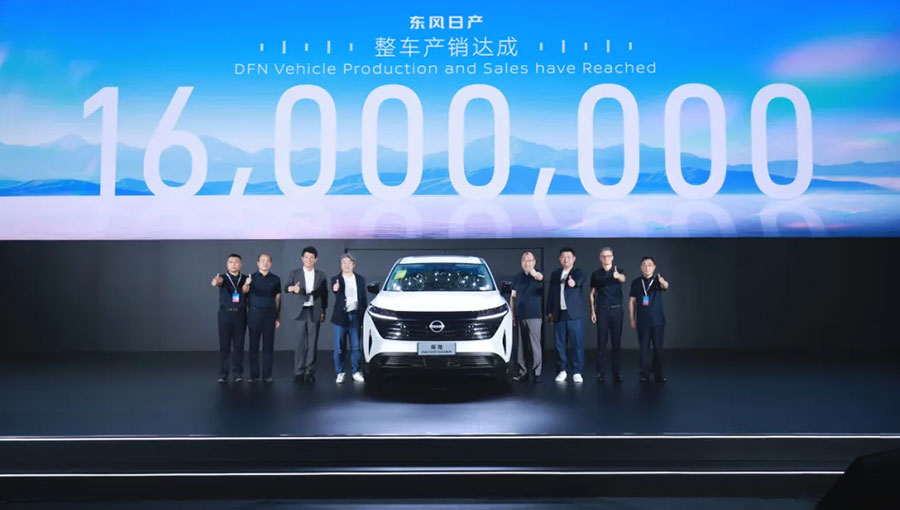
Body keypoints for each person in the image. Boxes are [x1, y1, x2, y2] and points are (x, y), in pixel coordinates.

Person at [285, 246, 328, 383]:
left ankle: (309, 371)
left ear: (316, 259)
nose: (308, 260)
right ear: (302, 259)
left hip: (314, 310)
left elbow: (324, 294)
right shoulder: (295, 273)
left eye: (311, 257)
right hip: (300, 311)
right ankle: (299, 371)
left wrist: (323, 311)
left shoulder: (321, 275)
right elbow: (286, 287)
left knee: (312, 343)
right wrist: (293, 288)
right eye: (306, 257)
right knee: (300, 343)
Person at [546, 247, 587, 383]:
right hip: (559, 313)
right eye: (563, 257)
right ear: (560, 259)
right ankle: (562, 370)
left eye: (569, 257)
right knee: (560, 344)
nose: (566, 259)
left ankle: (577, 371)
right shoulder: (555, 274)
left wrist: (573, 283)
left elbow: (579, 281)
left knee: (577, 344)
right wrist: (549, 311)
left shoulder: (578, 272)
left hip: (574, 315)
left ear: (573, 259)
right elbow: (551, 293)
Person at [629, 256, 670, 383]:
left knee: (658, 348)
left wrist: (663, 281)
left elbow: (666, 286)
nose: (647, 267)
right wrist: (632, 318)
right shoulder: (636, 282)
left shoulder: (658, 280)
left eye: (649, 265)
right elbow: (632, 302)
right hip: (642, 321)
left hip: (657, 321)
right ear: (641, 267)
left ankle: (658, 373)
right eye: (644, 265)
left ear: (654, 267)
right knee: (643, 349)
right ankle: (644, 373)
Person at [243, 253, 281, 383]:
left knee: (268, 346)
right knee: (253, 345)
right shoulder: (251, 278)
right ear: (257, 263)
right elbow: (244, 292)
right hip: (254, 313)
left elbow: (278, 298)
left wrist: (277, 317)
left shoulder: (275, 279)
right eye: (262, 260)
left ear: (271, 263)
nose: (265, 263)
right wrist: (247, 284)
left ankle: (267, 375)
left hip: (270, 314)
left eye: (267, 261)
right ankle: (254, 375)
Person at [590, 247, 626, 383]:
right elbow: (592, 294)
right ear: (600, 258)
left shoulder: (618, 270)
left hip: (616, 310)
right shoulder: (596, 274)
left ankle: (617, 372)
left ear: (612, 257)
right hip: (602, 310)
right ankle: (600, 372)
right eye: (603, 256)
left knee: (616, 342)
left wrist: (617, 276)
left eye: (608, 256)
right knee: (601, 342)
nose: (606, 258)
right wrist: (592, 311)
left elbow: (623, 279)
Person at [210, 253, 248, 384]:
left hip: (240, 315)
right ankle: (223, 374)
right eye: (230, 262)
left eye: (236, 262)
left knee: (239, 346)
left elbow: (246, 291)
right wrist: (215, 282)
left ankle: (238, 374)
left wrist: (247, 285)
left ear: (240, 264)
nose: (233, 264)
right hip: (225, 314)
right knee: (224, 345)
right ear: (227, 264)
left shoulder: (245, 278)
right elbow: (216, 282)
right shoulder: (222, 277)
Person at [331, 253, 367, 383]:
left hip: (355, 316)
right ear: (341, 265)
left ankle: (356, 372)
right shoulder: (335, 279)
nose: (346, 265)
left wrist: (363, 317)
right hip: (340, 317)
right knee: (339, 348)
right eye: (343, 263)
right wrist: (335, 289)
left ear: (353, 264)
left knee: (356, 347)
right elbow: (335, 290)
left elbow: (363, 299)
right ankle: (340, 372)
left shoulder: (360, 279)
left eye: (349, 263)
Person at [510, 251, 544, 383]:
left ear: (534, 262)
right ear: (521, 262)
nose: (527, 263)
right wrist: (512, 313)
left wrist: (533, 272)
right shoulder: (517, 277)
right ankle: (522, 372)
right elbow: (513, 297)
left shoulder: (538, 274)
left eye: (530, 260)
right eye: (524, 260)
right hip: (520, 315)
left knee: (535, 345)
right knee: (520, 346)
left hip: (534, 315)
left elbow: (540, 277)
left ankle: (537, 372)